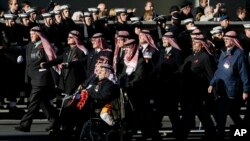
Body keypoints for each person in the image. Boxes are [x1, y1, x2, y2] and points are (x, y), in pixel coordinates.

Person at [14, 26, 59, 132]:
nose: (31, 36)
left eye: (33, 34)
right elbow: (23, 52)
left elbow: (52, 62)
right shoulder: (30, 45)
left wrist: (56, 81)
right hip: (32, 78)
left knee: (33, 101)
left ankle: (25, 124)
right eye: (30, 34)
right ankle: (55, 119)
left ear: (39, 35)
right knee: (42, 102)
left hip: (41, 78)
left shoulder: (45, 47)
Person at [208, 31, 250, 139]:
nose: (225, 40)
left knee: (224, 114)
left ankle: (223, 134)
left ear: (233, 40)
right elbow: (219, 71)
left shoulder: (239, 55)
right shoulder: (223, 53)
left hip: (232, 91)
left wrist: (246, 90)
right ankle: (241, 132)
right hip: (222, 90)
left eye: (228, 39)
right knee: (231, 114)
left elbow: (244, 73)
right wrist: (212, 83)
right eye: (225, 38)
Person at [180, 34, 217, 140]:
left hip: (199, 94)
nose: (193, 44)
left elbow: (211, 75)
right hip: (188, 93)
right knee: (198, 115)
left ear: (201, 45)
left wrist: (213, 92)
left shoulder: (205, 57)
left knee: (201, 115)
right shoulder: (189, 57)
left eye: (196, 42)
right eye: (193, 42)